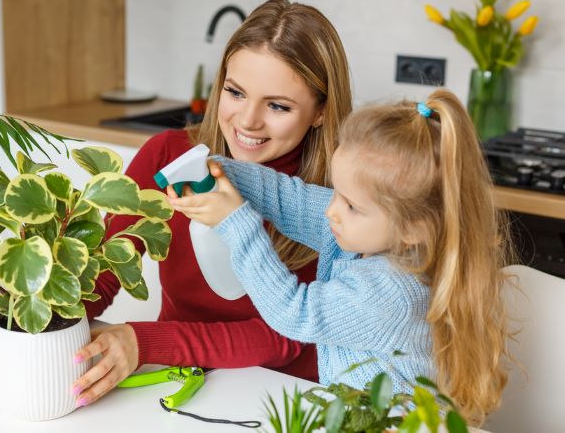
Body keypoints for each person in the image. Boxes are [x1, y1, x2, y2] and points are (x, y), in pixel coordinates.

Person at [70, 0, 353, 407]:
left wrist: (141, 341)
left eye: (277, 105)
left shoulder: (336, 200)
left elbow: (285, 339)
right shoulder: (167, 156)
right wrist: (27, 328)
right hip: (175, 379)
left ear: (321, 112)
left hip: (286, 397)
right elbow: (103, 273)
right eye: (235, 92)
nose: (247, 121)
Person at [169, 89, 512, 425]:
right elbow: (290, 199)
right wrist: (222, 172)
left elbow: (295, 312)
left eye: (351, 205)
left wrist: (236, 222)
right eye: (337, 192)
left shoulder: (393, 291)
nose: (332, 211)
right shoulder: (360, 232)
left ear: (413, 229)